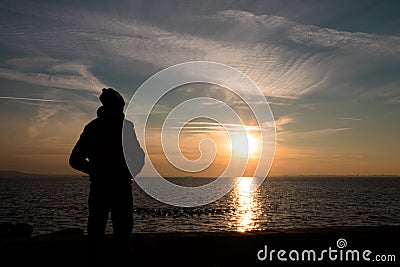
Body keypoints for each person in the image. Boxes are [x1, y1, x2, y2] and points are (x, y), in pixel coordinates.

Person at [69, 88, 144, 263]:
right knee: (107, 231)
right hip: (113, 187)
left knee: (108, 230)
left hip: (108, 186)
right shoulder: (118, 127)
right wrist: (101, 172)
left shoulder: (98, 127)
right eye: (120, 106)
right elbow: (139, 157)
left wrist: (97, 172)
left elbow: (75, 159)